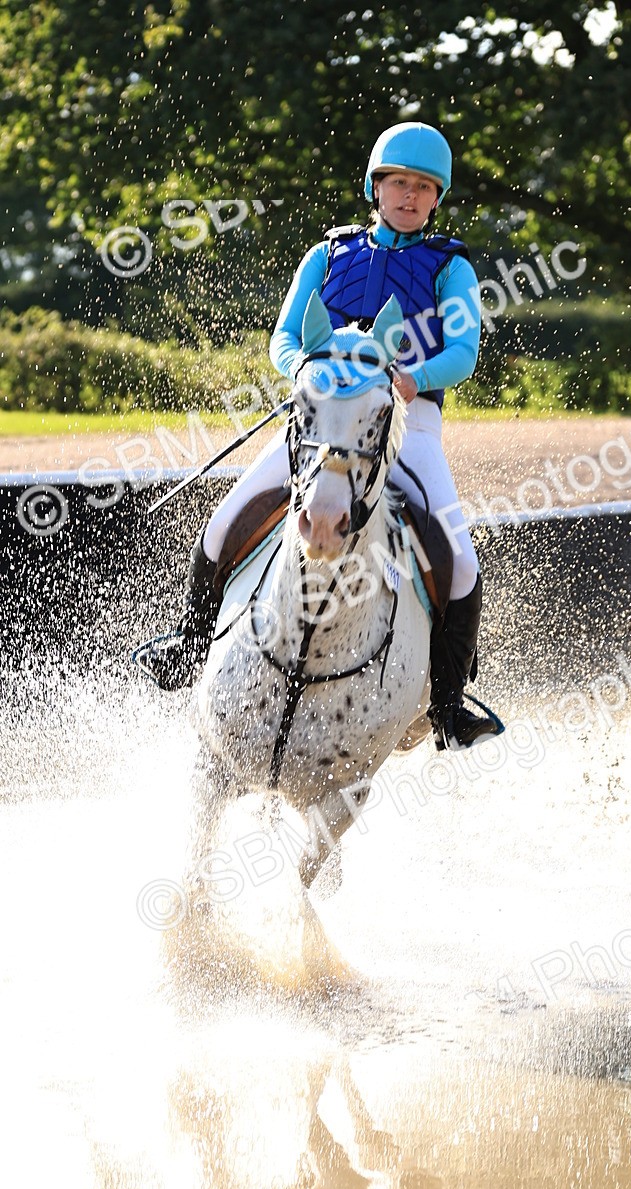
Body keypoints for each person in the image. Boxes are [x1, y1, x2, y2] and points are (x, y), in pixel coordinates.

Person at [135, 121, 502, 750]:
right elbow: (284, 338)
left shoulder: (452, 267)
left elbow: (464, 351)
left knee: (461, 563)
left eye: (422, 187)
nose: (408, 196)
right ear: (375, 186)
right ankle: (190, 641)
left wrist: (412, 379)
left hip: (405, 428)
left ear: (436, 197)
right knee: (223, 524)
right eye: (397, 184)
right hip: (318, 425)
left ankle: (447, 707)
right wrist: (306, 371)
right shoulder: (328, 253)